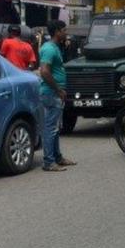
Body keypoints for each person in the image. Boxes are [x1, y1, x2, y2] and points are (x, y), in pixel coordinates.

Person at [38, 20, 75, 172]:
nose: (66, 33)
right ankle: (49, 161)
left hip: (54, 93)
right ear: (57, 31)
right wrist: (58, 89)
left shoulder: (54, 47)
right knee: (50, 128)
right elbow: (44, 71)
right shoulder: (49, 49)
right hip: (51, 93)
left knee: (54, 128)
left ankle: (57, 157)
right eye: (64, 30)